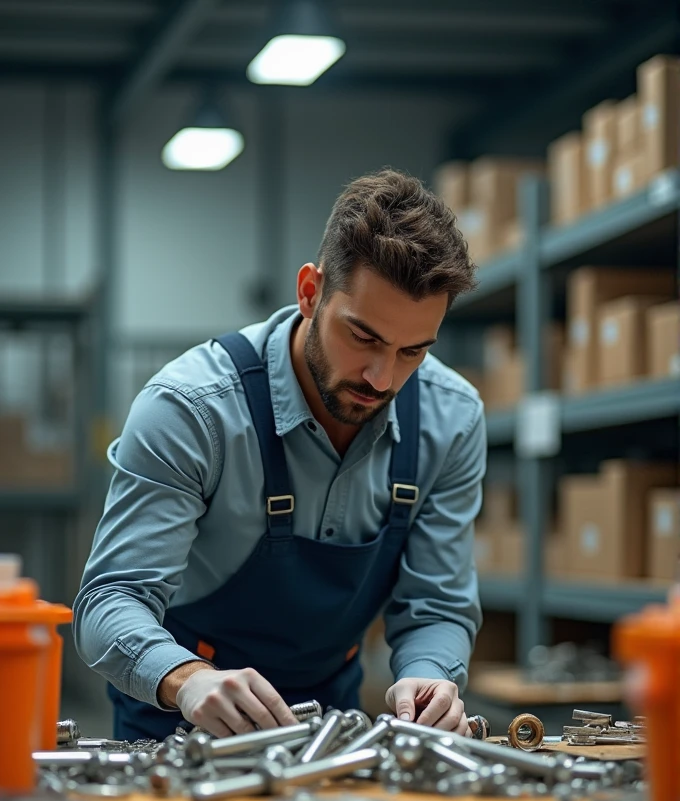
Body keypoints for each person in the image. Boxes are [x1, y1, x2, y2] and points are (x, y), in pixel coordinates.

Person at [73, 169, 485, 742]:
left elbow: (436, 604)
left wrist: (429, 678)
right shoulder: (192, 410)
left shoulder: (451, 419)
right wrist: (187, 678)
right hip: (181, 725)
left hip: (331, 723)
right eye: (363, 337)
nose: (382, 376)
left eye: (412, 350)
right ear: (311, 293)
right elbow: (109, 600)